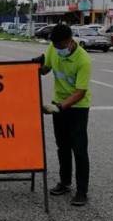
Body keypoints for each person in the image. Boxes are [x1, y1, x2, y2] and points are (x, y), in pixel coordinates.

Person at [34, 23, 92, 206]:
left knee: (79, 149)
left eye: (60, 46)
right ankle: (65, 183)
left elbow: (80, 92)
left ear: (69, 42)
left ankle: (82, 191)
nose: (57, 49)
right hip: (58, 103)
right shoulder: (53, 48)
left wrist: (60, 107)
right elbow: (46, 68)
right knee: (62, 147)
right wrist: (32, 68)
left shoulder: (83, 60)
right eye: (55, 46)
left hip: (77, 108)